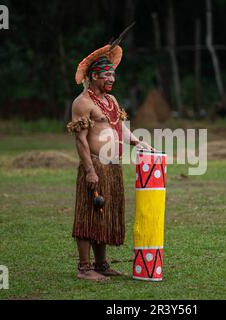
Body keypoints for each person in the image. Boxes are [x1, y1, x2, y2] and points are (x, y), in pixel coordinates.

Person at [67, 44, 153, 281]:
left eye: (113, 74)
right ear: (93, 76)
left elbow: (119, 127)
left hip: (113, 167)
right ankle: (84, 268)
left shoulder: (111, 100)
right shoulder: (82, 102)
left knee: (104, 215)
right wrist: (90, 171)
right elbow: (81, 141)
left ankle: (101, 264)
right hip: (95, 165)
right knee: (88, 214)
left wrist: (138, 142)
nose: (111, 78)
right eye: (106, 75)